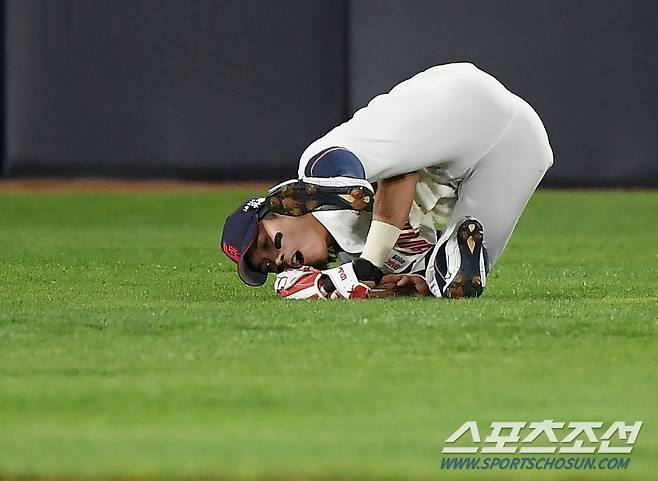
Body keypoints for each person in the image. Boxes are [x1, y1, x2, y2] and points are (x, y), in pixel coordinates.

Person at [220, 63, 553, 299]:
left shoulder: (314, 177)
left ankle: (343, 181)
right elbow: (381, 272)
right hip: (521, 148)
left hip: (456, 101)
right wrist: (406, 284)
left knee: (318, 163)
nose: (277, 260)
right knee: (448, 272)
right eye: (269, 266)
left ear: (283, 210)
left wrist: (370, 264)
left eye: (267, 243)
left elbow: (401, 171)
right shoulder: (354, 256)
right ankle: (445, 269)